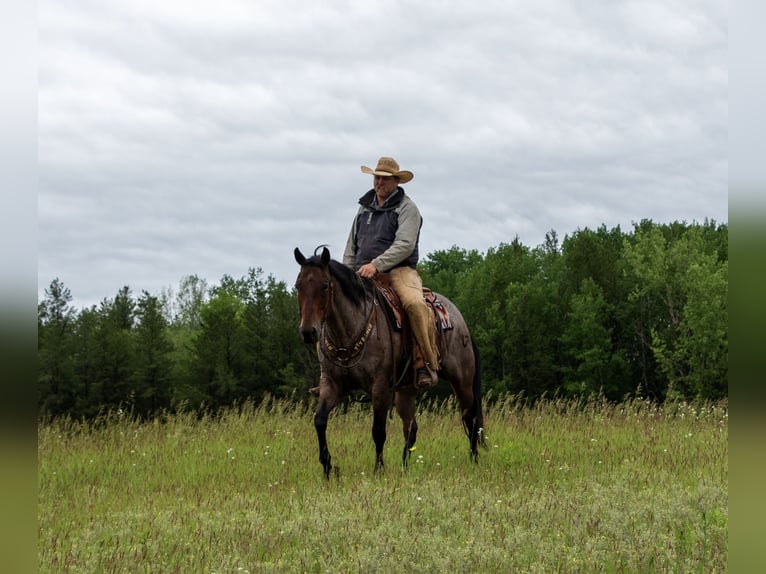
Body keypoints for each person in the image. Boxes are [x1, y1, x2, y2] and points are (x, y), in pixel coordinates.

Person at [342, 156, 439, 389]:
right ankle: (330, 372)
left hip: (399, 271)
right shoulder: (363, 208)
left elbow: (404, 245)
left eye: (385, 179)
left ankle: (424, 363)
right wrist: (346, 274)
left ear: (396, 181)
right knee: (332, 301)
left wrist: (376, 264)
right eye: (377, 178)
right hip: (362, 272)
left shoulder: (408, 209)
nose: (379, 183)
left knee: (415, 305)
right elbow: (351, 246)